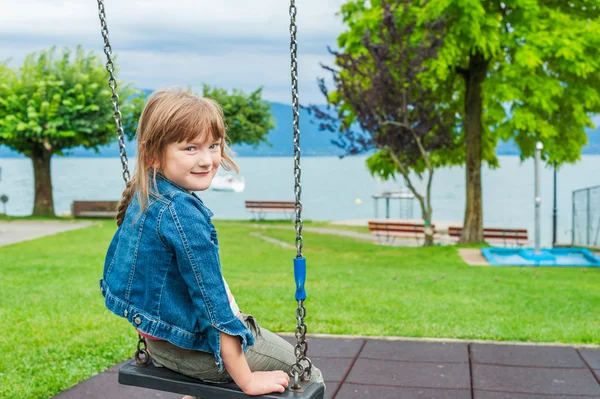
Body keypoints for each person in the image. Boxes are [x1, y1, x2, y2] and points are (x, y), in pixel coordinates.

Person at [100, 89, 323, 398]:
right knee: (308, 376)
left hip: (161, 343)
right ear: (152, 153)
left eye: (213, 146)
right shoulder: (183, 214)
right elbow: (213, 309)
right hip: (197, 350)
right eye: (190, 148)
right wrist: (247, 380)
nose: (207, 160)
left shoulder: (147, 193)